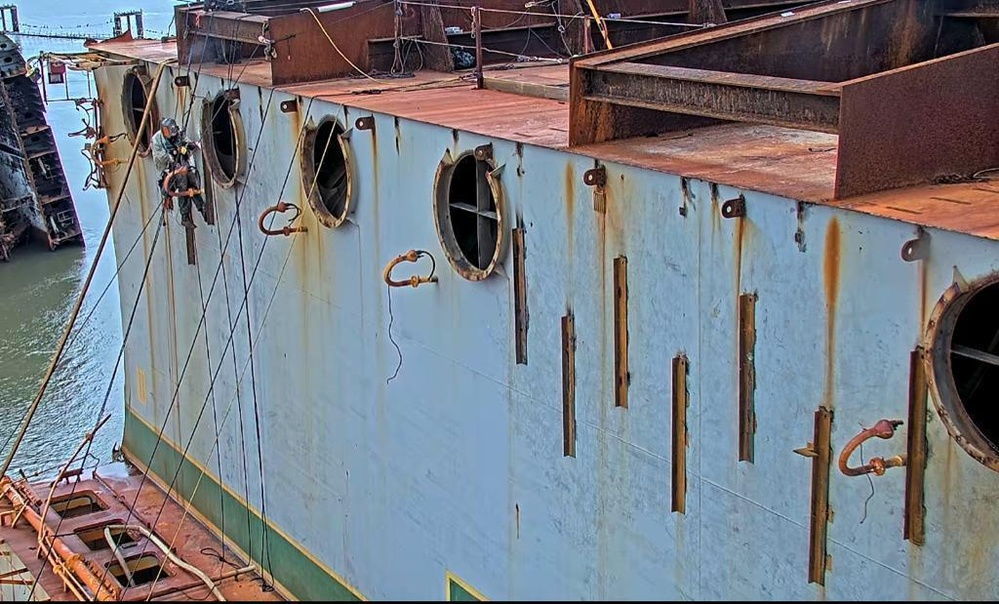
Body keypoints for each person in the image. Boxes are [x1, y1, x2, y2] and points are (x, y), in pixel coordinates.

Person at [151, 117, 207, 228]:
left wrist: (190, 145)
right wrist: (176, 152)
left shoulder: (177, 134)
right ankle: (185, 216)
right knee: (183, 181)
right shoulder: (157, 139)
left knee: (191, 179)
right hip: (168, 173)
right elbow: (162, 157)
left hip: (181, 168)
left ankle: (202, 208)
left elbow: (186, 141)